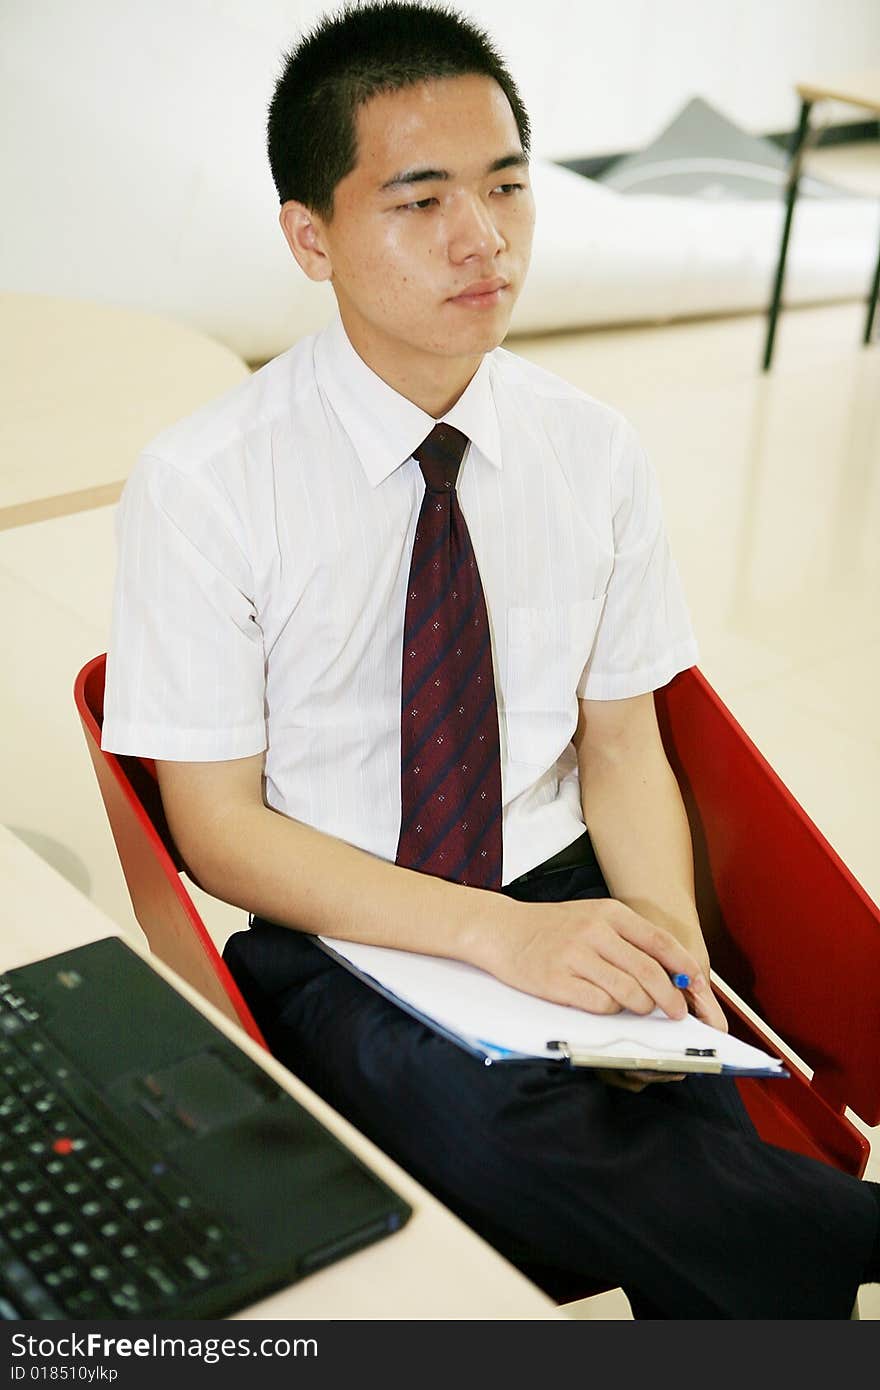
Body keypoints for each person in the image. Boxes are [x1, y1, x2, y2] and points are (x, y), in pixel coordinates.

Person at [102, 1, 880, 1317]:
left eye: (508, 186)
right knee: (497, 1130)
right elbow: (219, 832)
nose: (485, 239)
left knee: (678, 1144)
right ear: (311, 236)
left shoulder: (591, 448)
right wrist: (496, 938)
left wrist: (674, 970)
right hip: (347, 923)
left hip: (567, 876)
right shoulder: (205, 483)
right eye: (420, 201)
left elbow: (623, 741)